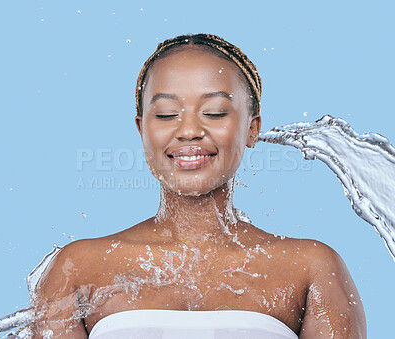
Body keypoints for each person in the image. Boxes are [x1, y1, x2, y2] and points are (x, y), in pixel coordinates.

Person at [24, 33, 366, 338]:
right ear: (142, 129)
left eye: (215, 112)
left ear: (252, 128)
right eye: (165, 114)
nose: (188, 130)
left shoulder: (310, 268)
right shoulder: (78, 269)